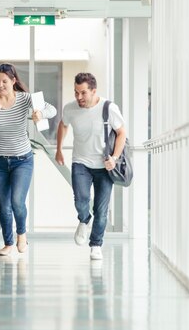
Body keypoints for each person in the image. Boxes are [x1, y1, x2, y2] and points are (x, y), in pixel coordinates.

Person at [0, 63, 57, 256]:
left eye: (4, 81)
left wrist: (39, 113)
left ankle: (21, 235)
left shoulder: (25, 99)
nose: (0, 85)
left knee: (17, 201)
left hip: (22, 160)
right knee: (4, 205)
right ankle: (8, 243)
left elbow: (52, 110)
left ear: (13, 81)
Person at [55, 73, 127, 260]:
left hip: (104, 166)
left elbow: (121, 133)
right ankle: (84, 220)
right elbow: (63, 125)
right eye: (76, 92)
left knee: (101, 210)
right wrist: (59, 149)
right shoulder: (70, 108)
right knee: (81, 199)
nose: (79, 97)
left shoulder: (108, 108)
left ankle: (96, 244)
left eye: (83, 93)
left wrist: (115, 157)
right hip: (81, 162)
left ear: (94, 91)